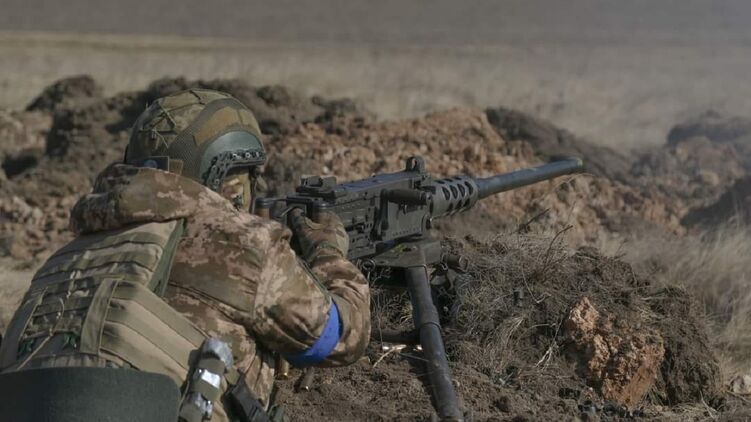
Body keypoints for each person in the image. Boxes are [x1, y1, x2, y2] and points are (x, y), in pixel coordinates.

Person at [0, 89, 371, 422]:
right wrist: (328, 252)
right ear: (228, 180)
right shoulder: (245, 246)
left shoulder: (62, 260)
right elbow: (340, 338)